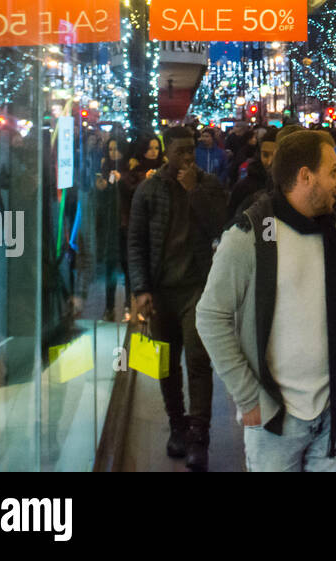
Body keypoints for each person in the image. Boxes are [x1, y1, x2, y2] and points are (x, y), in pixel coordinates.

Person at [196, 130, 336, 471]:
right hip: (275, 419)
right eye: (333, 172)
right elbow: (211, 316)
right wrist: (248, 395)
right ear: (305, 176)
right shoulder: (248, 235)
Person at [128, 126, 228, 471]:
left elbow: (221, 226)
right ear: (167, 152)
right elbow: (137, 240)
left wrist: (193, 194)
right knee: (165, 361)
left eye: (192, 151)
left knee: (198, 360)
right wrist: (141, 289)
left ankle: (200, 435)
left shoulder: (207, 185)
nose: (188, 157)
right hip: (161, 289)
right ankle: (177, 424)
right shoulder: (149, 189)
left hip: (197, 288)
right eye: (181, 151)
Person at [91, 136, 127, 320]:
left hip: (125, 224)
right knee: (110, 265)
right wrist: (102, 188)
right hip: (110, 224)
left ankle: (128, 305)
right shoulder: (105, 169)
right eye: (111, 149)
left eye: (117, 149)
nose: (114, 153)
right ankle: (110, 306)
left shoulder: (128, 168)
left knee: (127, 265)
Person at [228, 131, 278, 224]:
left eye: (275, 156)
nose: (270, 162)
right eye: (265, 155)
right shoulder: (244, 188)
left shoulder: (291, 189)